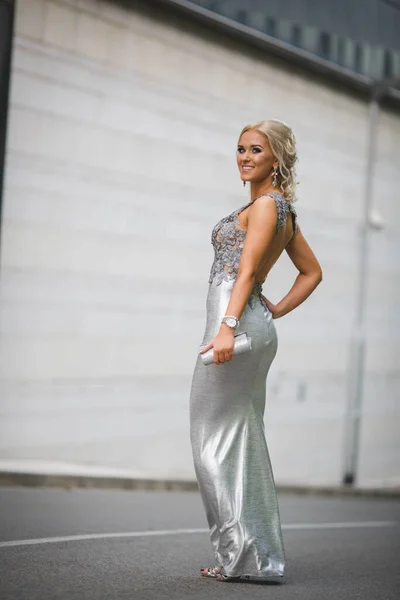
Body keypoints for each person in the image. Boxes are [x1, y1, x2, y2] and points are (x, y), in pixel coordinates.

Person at [189, 119, 323, 583]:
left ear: (277, 159)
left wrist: (228, 327)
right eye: (241, 149)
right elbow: (312, 272)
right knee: (240, 440)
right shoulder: (282, 210)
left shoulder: (268, 206)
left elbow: (245, 274)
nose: (245, 157)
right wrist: (275, 312)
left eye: (257, 151)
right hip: (251, 326)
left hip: (236, 328)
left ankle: (242, 556)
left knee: (211, 441)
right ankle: (255, 558)